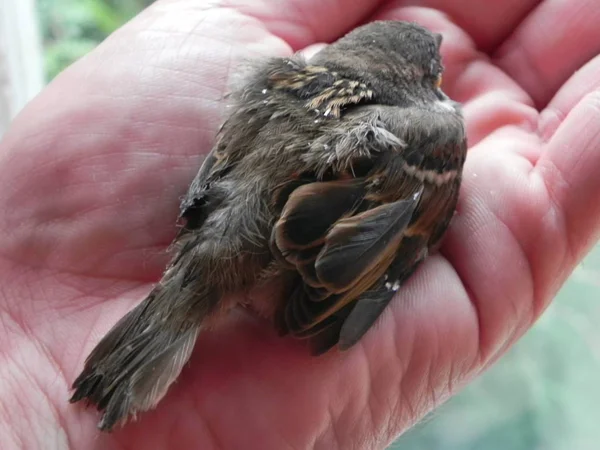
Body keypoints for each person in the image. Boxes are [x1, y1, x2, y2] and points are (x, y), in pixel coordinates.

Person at [1, 0, 599, 448]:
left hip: (214, 226)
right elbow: (395, 236)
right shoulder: (432, 136)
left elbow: (228, 163)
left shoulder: (281, 77)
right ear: (427, 85)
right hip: (287, 250)